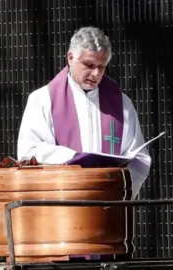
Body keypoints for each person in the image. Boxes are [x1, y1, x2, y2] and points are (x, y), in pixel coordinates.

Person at [16, 26, 151, 199]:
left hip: (109, 204)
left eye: (101, 67)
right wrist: (74, 158)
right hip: (61, 205)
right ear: (71, 58)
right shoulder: (43, 100)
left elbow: (139, 158)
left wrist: (118, 192)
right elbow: (29, 152)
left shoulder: (121, 104)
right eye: (89, 65)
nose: (95, 74)